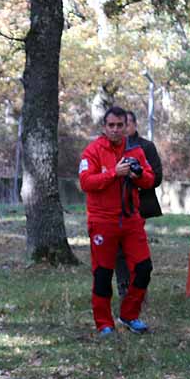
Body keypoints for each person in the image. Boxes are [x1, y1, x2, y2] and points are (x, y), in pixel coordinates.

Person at [78, 106, 156, 335]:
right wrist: (114, 173)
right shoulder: (92, 151)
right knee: (103, 273)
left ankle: (129, 315)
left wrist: (138, 174)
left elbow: (150, 179)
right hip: (102, 221)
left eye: (120, 125)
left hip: (131, 220)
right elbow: (86, 183)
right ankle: (104, 324)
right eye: (111, 125)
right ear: (104, 127)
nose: (115, 129)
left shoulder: (136, 151)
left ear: (127, 127)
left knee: (144, 268)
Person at [115, 111, 164, 296]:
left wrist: (139, 176)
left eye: (125, 125)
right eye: (117, 125)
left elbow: (156, 177)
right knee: (119, 250)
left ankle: (138, 289)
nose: (121, 129)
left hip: (139, 205)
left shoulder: (146, 147)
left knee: (135, 250)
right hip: (116, 207)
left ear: (134, 125)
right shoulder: (109, 147)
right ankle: (124, 286)